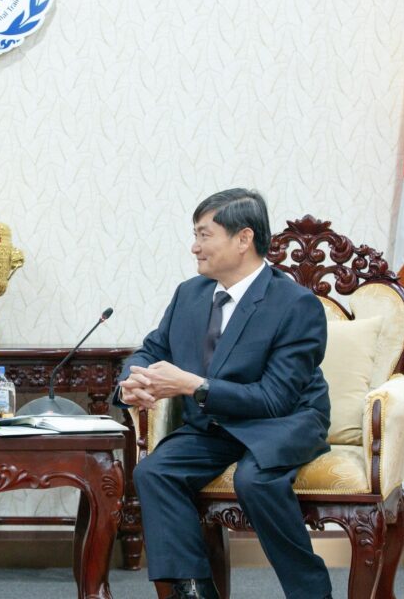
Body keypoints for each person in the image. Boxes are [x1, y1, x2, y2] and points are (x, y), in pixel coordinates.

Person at [117, 189, 333, 599]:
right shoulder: (190, 294)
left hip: (282, 421)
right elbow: (151, 350)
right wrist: (133, 380)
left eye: (205, 235)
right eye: (195, 235)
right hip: (215, 422)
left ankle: (311, 593)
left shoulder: (295, 305)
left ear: (243, 238)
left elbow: (274, 399)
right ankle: (194, 591)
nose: (194, 247)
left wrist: (191, 385)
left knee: (255, 481)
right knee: (154, 472)